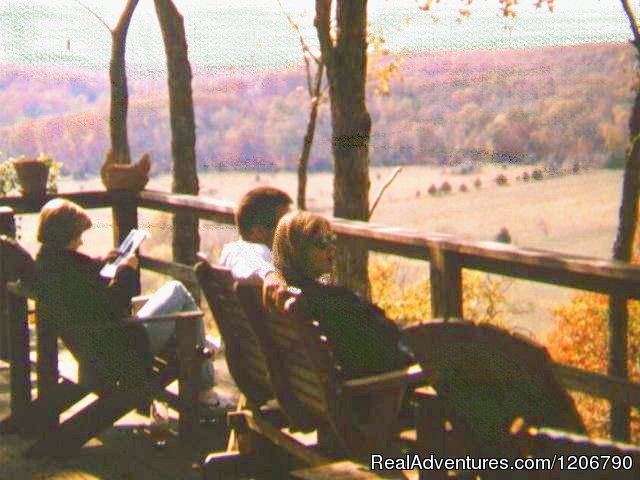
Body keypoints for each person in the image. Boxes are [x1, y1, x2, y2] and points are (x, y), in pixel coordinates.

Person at [35, 199, 216, 403]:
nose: (81, 242)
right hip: (125, 351)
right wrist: (128, 272)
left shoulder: (49, 266)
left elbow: (88, 291)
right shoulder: (71, 272)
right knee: (179, 292)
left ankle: (201, 350)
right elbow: (116, 303)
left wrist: (104, 263)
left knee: (177, 301)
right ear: (66, 235)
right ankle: (205, 387)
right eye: (78, 236)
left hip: (96, 348)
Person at [272, 210, 413, 379]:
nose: (332, 248)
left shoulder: (281, 296)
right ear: (298, 250)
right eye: (322, 243)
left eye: (332, 239)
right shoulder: (332, 304)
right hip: (371, 395)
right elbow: (385, 355)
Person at [218, 186, 294, 310]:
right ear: (258, 232)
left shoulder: (229, 253)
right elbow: (249, 256)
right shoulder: (254, 253)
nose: (290, 233)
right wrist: (270, 273)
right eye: (285, 227)